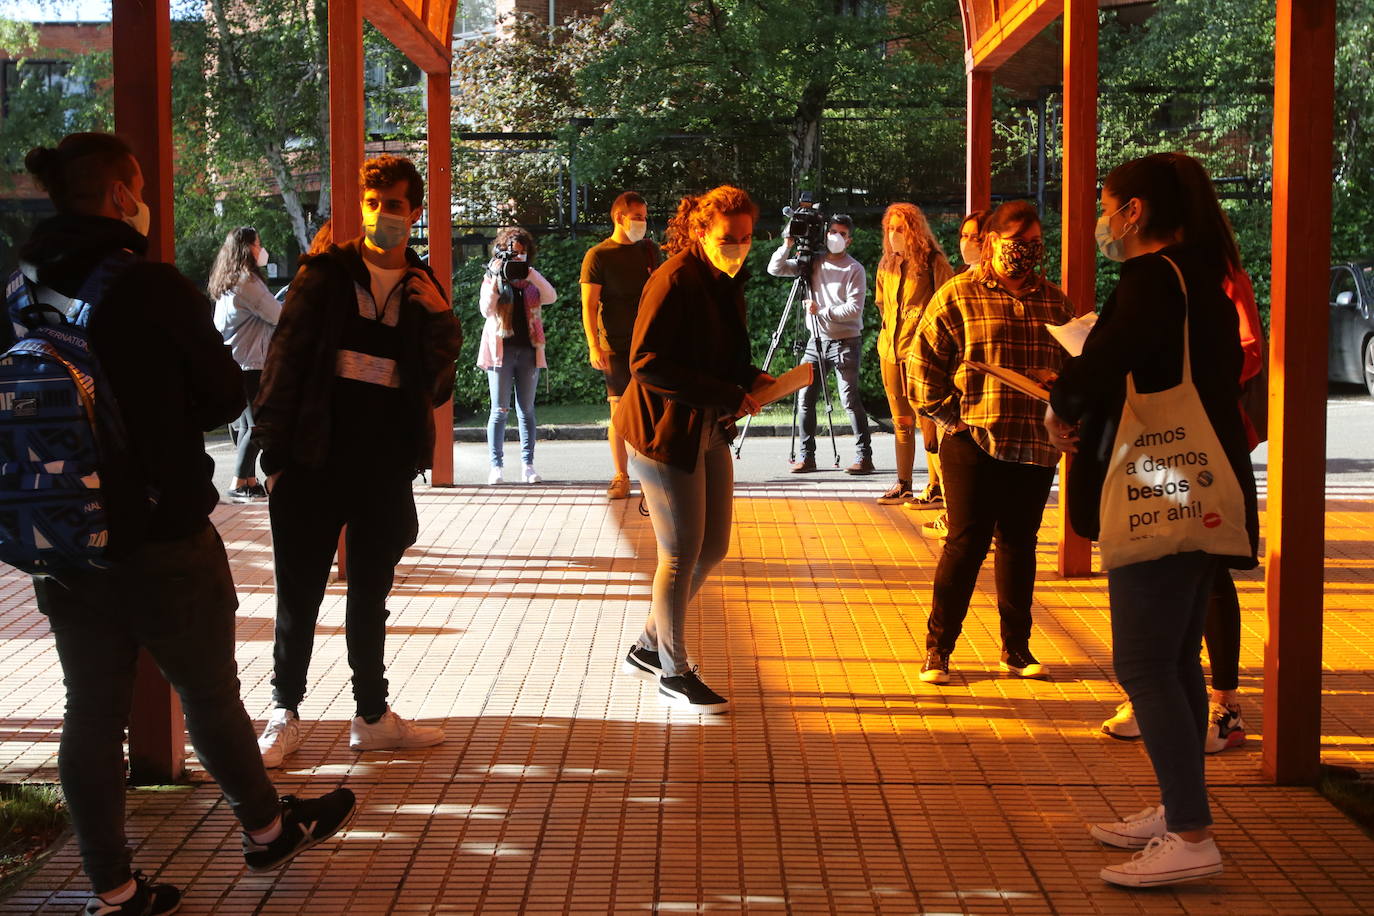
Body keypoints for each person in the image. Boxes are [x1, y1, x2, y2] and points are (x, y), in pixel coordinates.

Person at [18, 132, 354, 916]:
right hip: (159, 533)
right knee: (208, 694)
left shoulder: (18, 288)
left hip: (61, 539)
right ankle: (268, 830)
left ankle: (113, 887)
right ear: (114, 196)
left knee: (88, 712)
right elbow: (222, 397)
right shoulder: (147, 285)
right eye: (137, 186)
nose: (143, 200)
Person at [1045, 152, 1259, 887]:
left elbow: (1100, 364)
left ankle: (1192, 836)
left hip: (1159, 486)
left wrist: (1059, 406)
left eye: (1108, 205)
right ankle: (1179, 808)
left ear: (1135, 211)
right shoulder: (1203, 274)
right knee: (1174, 660)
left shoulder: (1150, 280)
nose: (1104, 220)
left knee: (1143, 663)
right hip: (1203, 482)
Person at [253, 154, 462, 767]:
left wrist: (441, 321)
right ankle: (283, 713)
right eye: (373, 204)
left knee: (371, 592)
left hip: (383, 467)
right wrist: (273, 455)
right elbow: (283, 363)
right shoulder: (324, 275)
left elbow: (440, 387)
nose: (381, 215)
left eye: (394, 205)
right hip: (311, 461)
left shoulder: (424, 287)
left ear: (414, 212)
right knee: (300, 594)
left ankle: (372, 715)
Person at [612, 184, 772, 713]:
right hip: (664, 433)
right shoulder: (674, 277)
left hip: (706, 427)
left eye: (747, 238)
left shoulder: (726, 278)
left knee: (713, 547)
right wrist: (725, 392)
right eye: (730, 237)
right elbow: (646, 362)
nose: (740, 246)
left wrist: (750, 379)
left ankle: (647, 644)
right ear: (702, 231)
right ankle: (673, 671)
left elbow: (720, 354)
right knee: (679, 554)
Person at [1100, 266, 1263, 753]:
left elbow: (1248, 352)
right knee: (1170, 568)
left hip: (1201, 442)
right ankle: (1157, 699)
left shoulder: (1219, 276)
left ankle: (1225, 703)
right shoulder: (1146, 278)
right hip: (1152, 443)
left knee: (1208, 571)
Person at [909, 200, 1073, 685]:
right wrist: (949, 420)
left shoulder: (1056, 302)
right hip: (974, 437)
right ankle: (938, 650)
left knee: (1021, 545)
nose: (1027, 253)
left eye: (1035, 244)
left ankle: (1016, 649)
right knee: (966, 543)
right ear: (990, 244)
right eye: (1017, 243)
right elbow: (921, 366)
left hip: (1036, 441)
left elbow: (1077, 367)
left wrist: (1062, 391)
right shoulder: (958, 295)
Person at [767, 213, 872, 474]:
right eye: (831, 231)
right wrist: (787, 244)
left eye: (841, 234)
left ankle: (864, 457)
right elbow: (775, 269)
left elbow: (854, 309)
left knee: (848, 399)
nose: (835, 237)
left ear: (849, 240)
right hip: (816, 340)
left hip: (845, 342)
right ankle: (807, 457)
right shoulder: (812, 262)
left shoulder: (854, 269)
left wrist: (821, 310)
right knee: (805, 397)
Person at [905, 210, 988, 538]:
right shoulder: (959, 286)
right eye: (964, 236)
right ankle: (955, 517)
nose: (968, 243)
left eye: (976, 237)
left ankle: (972, 523)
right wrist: (946, 414)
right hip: (956, 399)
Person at [580, 191, 661, 499]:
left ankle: (655, 477)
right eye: (637, 216)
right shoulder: (598, 255)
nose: (642, 222)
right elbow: (589, 305)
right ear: (619, 217)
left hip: (650, 343)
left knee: (654, 409)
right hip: (615, 344)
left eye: (644, 217)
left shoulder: (649, 252)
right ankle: (621, 475)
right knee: (618, 410)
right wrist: (593, 345)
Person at [478, 226, 556, 484]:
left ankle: (528, 466)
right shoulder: (494, 278)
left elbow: (551, 296)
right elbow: (486, 310)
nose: (518, 257)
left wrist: (530, 273)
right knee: (499, 410)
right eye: (513, 253)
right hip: (500, 351)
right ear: (503, 252)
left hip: (528, 351)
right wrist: (495, 276)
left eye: (522, 253)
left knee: (527, 411)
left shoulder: (530, 280)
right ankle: (496, 467)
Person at [209, 226, 281, 503]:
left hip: (236, 362)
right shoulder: (247, 283)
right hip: (250, 364)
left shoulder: (229, 281)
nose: (261, 249)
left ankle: (249, 481)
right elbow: (277, 314)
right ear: (247, 248)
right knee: (257, 426)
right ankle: (239, 482)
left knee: (247, 425)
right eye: (258, 244)